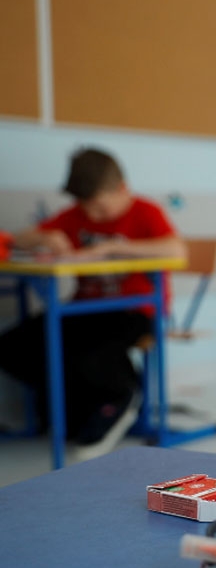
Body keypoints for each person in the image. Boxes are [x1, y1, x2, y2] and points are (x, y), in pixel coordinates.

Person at [0, 148, 185, 460]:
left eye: (100, 207)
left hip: (136, 310)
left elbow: (177, 251)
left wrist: (112, 248)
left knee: (91, 354)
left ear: (123, 189)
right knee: (13, 347)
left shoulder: (146, 212)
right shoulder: (75, 215)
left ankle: (123, 396)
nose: (94, 216)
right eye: (87, 208)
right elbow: (18, 239)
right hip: (85, 308)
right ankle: (77, 412)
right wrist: (43, 239)